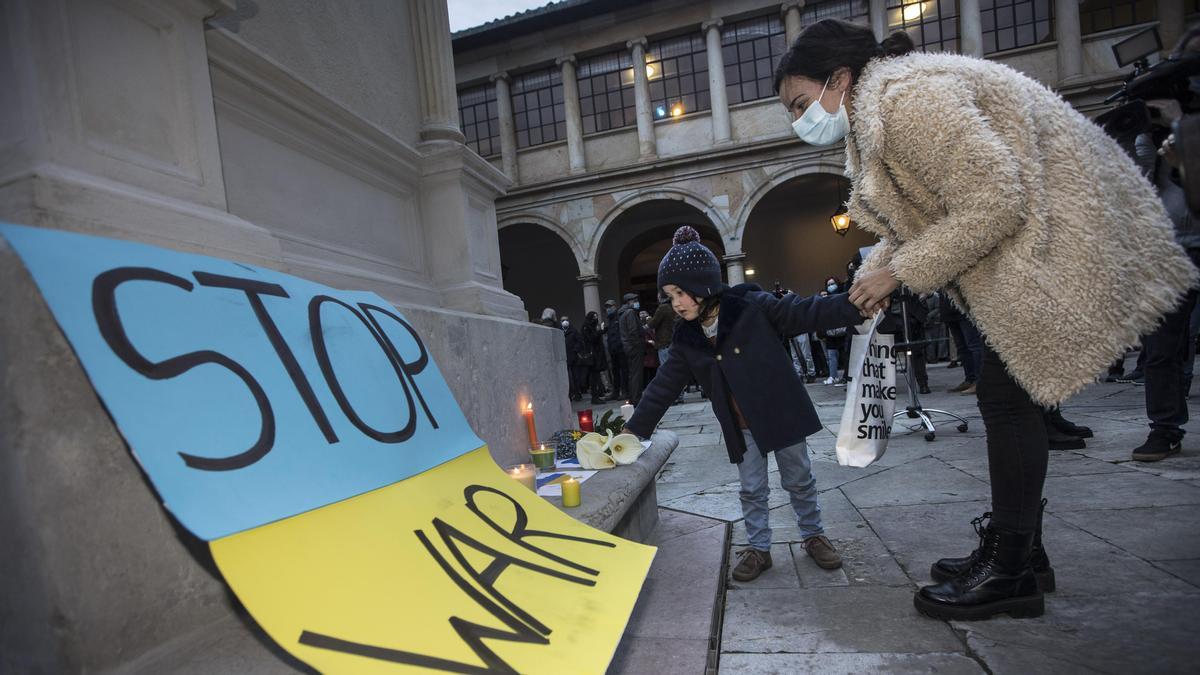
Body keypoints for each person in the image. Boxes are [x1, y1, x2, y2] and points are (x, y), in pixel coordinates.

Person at [775, 19, 1195, 620]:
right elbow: (931, 213)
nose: (798, 121)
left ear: (839, 79)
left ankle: (1012, 569)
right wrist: (893, 262)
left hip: (1062, 235)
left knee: (1004, 397)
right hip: (1040, 238)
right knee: (1009, 396)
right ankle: (1023, 550)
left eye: (799, 102)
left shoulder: (908, 100)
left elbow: (996, 200)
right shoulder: (883, 106)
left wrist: (896, 272)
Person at [623, 225, 864, 581]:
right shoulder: (687, 336)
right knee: (752, 488)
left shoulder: (750, 305)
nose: (675, 303)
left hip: (780, 413)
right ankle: (759, 548)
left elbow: (802, 313)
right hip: (741, 425)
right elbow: (664, 386)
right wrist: (633, 429)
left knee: (799, 479)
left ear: (702, 285)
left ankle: (813, 535)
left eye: (680, 293)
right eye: (669, 296)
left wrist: (854, 303)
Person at [1129, 29, 1200, 461]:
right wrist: (1148, 137)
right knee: (1161, 351)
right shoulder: (1160, 129)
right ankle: (1165, 427)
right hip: (1172, 249)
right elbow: (1137, 182)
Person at [941, 290, 982, 394]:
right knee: (962, 347)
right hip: (949, 309)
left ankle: (979, 381)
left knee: (973, 345)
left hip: (963, 306)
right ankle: (970, 379)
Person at [619, 292, 646, 403]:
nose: (636, 303)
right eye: (634, 301)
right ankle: (636, 398)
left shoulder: (622, 313)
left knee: (633, 374)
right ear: (629, 302)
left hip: (629, 347)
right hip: (634, 347)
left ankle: (634, 397)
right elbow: (633, 331)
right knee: (636, 374)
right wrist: (638, 345)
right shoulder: (629, 312)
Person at [581, 311, 609, 404]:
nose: (596, 319)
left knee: (596, 377)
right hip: (592, 356)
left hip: (597, 355)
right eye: (594, 317)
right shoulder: (587, 327)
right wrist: (600, 331)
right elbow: (592, 339)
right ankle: (595, 396)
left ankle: (597, 395)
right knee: (594, 377)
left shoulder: (592, 327)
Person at [605, 299, 626, 401]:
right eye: (607, 307)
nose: (608, 309)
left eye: (610, 306)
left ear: (615, 306)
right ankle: (616, 392)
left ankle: (625, 391)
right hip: (613, 350)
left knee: (623, 372)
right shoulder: (610, 319)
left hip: (620, 349)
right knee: (615, 372)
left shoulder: (619, 317)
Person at [561, 316, 582, 401]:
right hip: (564, 358)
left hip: (573, 357)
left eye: (566, 320)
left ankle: (577, 393)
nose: (565, 321)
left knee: (575, 376)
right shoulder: (559, 331)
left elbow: (579, 341)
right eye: (563, 320)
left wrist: (575, 350)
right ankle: (569, 394)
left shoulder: (573, 331)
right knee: (566, 377)